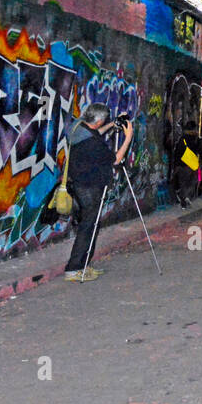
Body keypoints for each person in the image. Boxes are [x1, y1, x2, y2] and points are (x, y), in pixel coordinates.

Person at [64, 104, 134, 282]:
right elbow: (116, 159)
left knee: (90, 225)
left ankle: (84, 265)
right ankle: (74, 268)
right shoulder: (93, 145)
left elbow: (96, 131)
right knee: (89, 226)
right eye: (105, 121)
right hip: (90, 187)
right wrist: (128, 138)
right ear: (99, 120)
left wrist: (111, 125)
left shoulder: (78, 127)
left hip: (80, 183)